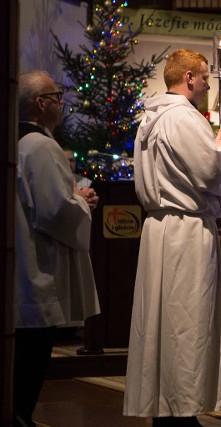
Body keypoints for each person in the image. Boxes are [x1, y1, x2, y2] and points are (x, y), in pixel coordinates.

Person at [123, 48, 221, 427]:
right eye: (204, 78)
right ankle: (181, 412)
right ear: (188, 77)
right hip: (185, 230)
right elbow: (206, 171)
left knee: (162, 324)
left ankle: (167, 409)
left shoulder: (152, 117)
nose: (206, 85)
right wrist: (220, 152)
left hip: (159, 229)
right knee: (186, 325)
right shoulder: (183, 117)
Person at [15, 70, 100, 427]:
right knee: (33, 354)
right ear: (41, 103)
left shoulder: (18, 143)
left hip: (24, 258)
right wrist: (81, 200)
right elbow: (54, 210)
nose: (61, 103)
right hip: (40, 265)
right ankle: (21, 417)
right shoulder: (42, 147)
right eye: (57, 96)